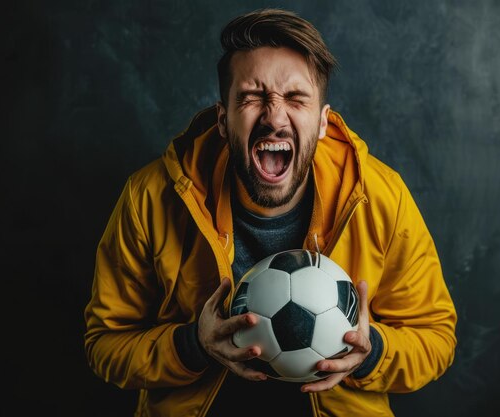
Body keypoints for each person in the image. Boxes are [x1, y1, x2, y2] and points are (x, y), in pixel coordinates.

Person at [84, 8, 457, 417]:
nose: (274, 117)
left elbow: (436, 338)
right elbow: (105, 342)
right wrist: (192, 346)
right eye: (252, 97)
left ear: (322, 123)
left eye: (296, 99)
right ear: (223, 121)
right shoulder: (150, 198)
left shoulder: (380, 197)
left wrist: (372, 354)